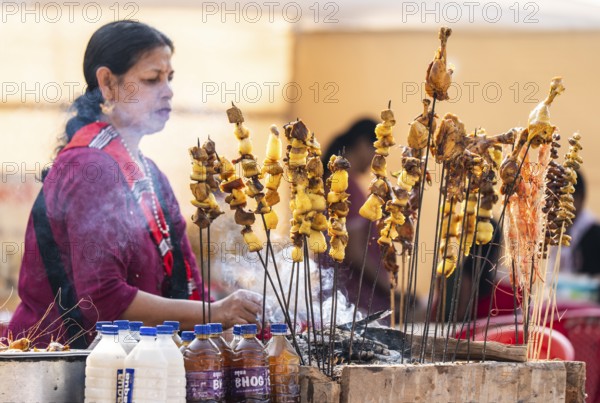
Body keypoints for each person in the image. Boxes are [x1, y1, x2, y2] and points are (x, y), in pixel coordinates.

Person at [5, 21, 261, 348]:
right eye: (152, 79)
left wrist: (238, 325)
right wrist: (215, 312)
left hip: (139, 363)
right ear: (108, 84)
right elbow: (105, 301)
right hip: (62, 366)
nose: (167, 90)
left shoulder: (151, 174)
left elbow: (187, 284)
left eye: (169, 79)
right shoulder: (89, 168)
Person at [322, 118, 395, 315]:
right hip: (356, 298)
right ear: (363, 144)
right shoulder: (347, 187)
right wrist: (389, 288)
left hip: (335, 292)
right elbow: (354, 252)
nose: (377, 160)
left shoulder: (329, 182)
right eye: (376, 152)